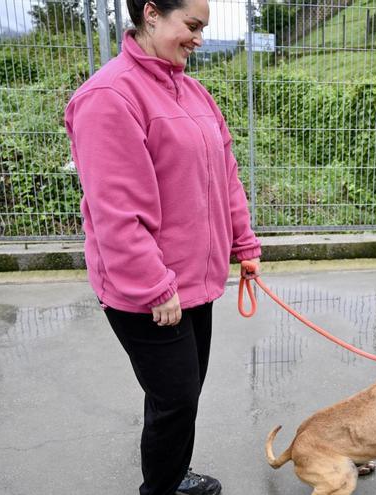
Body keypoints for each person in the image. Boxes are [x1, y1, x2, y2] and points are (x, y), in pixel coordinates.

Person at [64, 0, 262, 493]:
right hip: (149, 291)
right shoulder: (110, 97)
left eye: (203, 28)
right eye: (191, 26)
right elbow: (116, 212)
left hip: (195, 281)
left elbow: (226, 175)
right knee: (175, 399)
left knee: (182, 394)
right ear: (151, 13)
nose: (199, 38)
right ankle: (160, 488)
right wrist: (154, 285)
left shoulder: (191, 91)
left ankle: (174, 475)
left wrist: (244, 242)